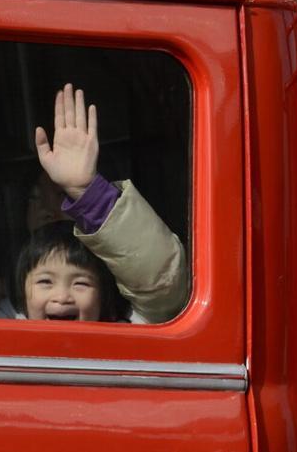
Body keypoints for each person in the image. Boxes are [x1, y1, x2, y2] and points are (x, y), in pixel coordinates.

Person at [35, 83, 188, 323]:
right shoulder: (3, 323)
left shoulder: (126, 327)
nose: (62, 297)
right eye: (45, 281)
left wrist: (87, 193)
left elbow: (162, 284)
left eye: (81, 283)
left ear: (104, 295)